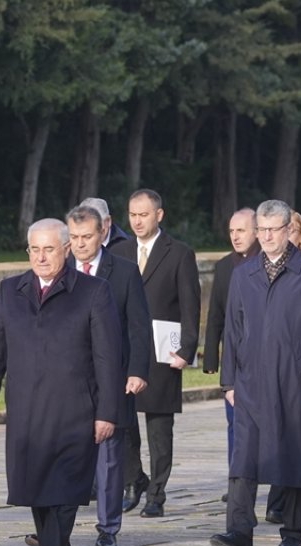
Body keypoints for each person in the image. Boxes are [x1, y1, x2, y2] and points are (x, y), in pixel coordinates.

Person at [0, 217, 123, 546]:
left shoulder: (93, 291)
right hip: (27, 414)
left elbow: (108, 357)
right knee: (36, 491)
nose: (41, 257)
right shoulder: (12, 291)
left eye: (49, 249)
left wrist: (108, 412)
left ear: (66, 249)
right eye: (34, 249)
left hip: (76, 412)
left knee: (66, 491)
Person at [211, 200, 301, 546]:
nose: (265, 236)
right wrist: (229, 381)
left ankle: (293, 533)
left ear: (287, 230)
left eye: (272, 230)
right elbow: (232, 332)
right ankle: (239, 531)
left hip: (297, 381)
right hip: (250, 382)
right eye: (260, 230)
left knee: (297, 455)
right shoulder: (243, 274)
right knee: (243, 458)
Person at [111, 188, 202, 518]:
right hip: (126, 350)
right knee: (123, 422)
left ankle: (157, 494)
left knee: (159, 430)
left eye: (144, 214)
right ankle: (135, 478)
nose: (137, 221)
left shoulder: (178, 253)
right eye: (133, 214)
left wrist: (187, 348)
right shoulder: (119, 252)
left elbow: (191, 305)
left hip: (163, 350)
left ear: (159, 215)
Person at [66, 203, 150, 546]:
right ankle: (56, 524)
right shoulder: (60, 269)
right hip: (69, 378)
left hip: (113, 376)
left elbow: (139, 326)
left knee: (110, 455)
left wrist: (137, 371)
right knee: (65, 454)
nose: (80, 244)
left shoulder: (125, 272)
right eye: (73, 237)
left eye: (87, 236)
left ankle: (108, 528)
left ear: (103, 233)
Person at [202, 208, 260, 503]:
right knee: (234, 422)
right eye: (232, 231)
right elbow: (216, 314)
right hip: (235, 358)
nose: (236, 236)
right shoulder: (226, 266)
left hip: (265, 357)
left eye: (242, 230)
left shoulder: (267, 262)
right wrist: (211, 357)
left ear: (257, 231)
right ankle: (236, 479)